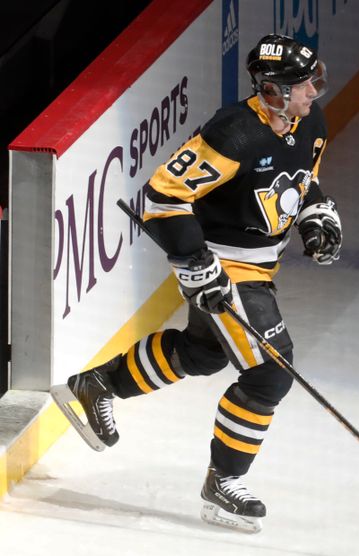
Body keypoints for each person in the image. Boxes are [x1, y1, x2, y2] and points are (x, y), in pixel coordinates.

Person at [51, 34, 342, 534]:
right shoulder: (234, 134)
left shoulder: (310, 120)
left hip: (258, 263)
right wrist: (195, 264)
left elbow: (303, 179)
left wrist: (317, 214)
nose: (314, 91)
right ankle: (223, 483)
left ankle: (98, 383)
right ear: (273, 90)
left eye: (315, 80)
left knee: (205, 351)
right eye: (303, 84)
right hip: (223, 266)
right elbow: (162, 197)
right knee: (270, 374)